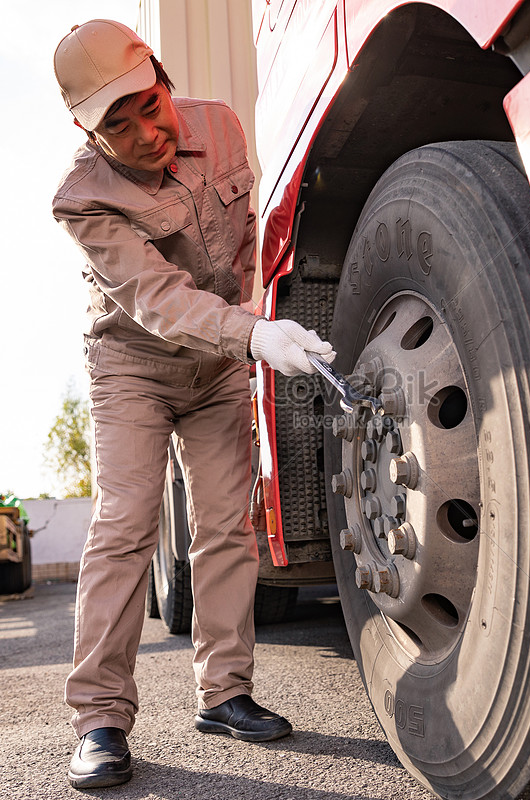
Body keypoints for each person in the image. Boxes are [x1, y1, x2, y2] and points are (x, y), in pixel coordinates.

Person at [51, 19, 334, 791]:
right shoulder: (81, 201)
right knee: (127, 524)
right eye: (118, 122)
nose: (148, 131)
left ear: (163, 79)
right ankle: (101, 720)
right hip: (134, 365)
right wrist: (254, 335)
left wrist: (264, 323)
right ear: (86, 129)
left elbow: (247, 244)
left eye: (150, 103)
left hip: (216, 365)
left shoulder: (221, 126)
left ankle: (226, 694)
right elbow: (157, 300)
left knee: (226, 526)